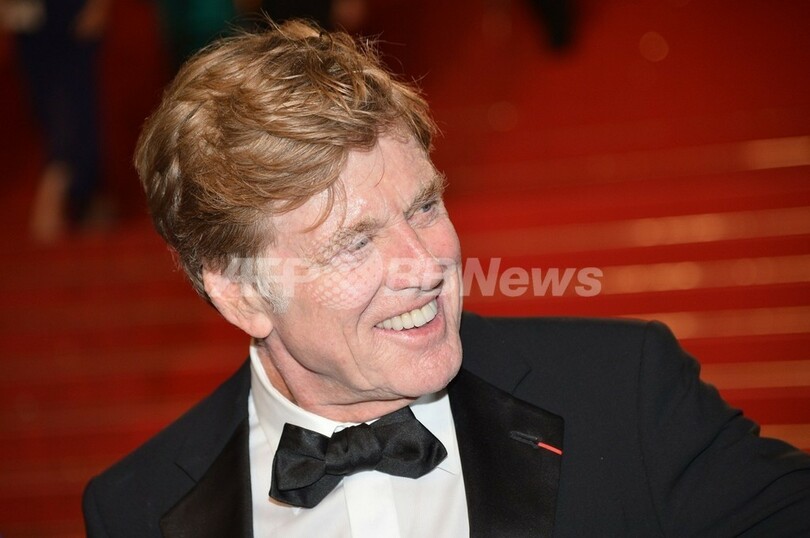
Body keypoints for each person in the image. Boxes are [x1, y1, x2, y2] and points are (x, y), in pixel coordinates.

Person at [82, 20, 810, 537]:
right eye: (355, 242)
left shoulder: (626, 392)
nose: (426, 264)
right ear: (242, 292)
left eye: (424, 206)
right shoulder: (138, 509)